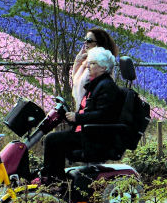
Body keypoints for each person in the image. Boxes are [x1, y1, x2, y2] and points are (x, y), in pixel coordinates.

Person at [40, 46, 123, 183]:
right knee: (54, 139)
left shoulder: (107, 86)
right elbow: (89, 110)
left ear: (103, 68)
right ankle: (56, 178)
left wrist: (77, 117)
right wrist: (71, 116)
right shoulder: (96, 84)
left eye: (93, 63)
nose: (88, 66)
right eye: (89, 63)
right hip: (88, 132)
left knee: (52, 140)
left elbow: (104, 115)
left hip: (95, 137)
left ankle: (53, 180)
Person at [70, 28, 119, 105]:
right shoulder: (86, 61)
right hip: (83, 108)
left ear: (99, 44)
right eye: (85, 39)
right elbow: (76, 81)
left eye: (89, 40)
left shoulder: (100, 64)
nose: (85, 42)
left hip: (91, 110)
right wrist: (78, 61)